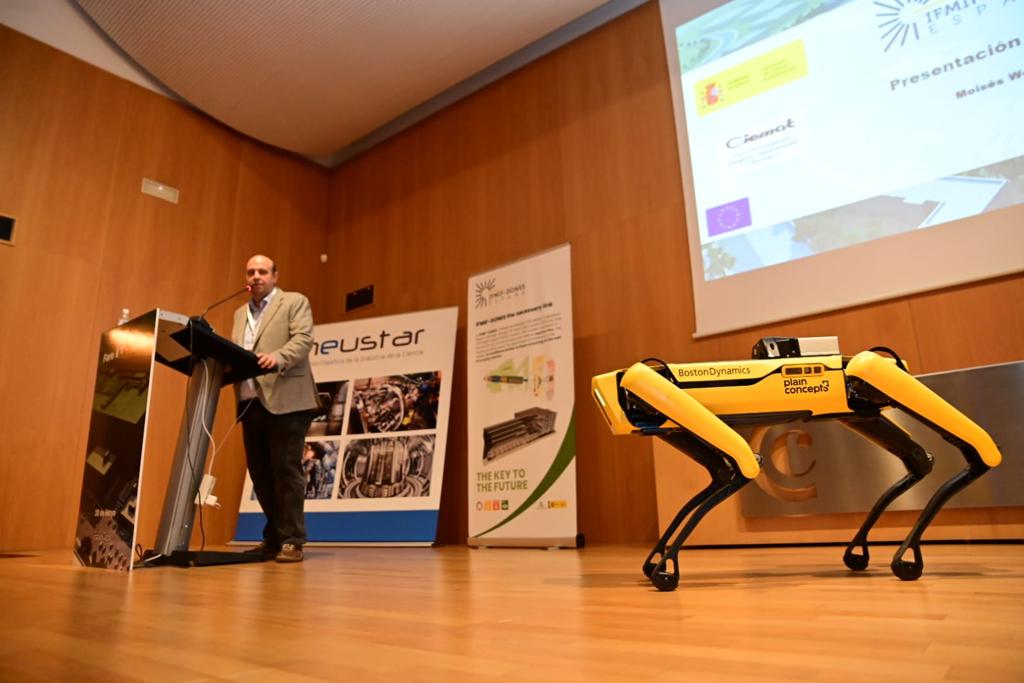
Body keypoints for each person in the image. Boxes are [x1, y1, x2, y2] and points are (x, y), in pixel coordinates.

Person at [232, 254, 318, 563]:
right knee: (261, 474)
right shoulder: (239, 313)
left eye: (262, 271)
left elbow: (304, 339)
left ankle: (293, 540)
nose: (256, 276)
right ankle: (275, 537)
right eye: (251, 272)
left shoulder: (294, 302)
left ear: (275, 276)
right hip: (250, 401)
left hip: (288, 399)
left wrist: (278, 357)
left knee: (285, 470)